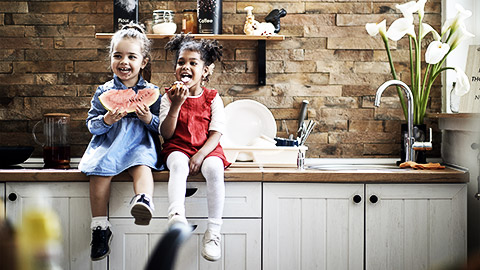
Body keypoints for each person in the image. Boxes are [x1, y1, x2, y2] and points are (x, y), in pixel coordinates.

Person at [78, 23, 162, 261]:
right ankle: (100, 227)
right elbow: (91, 125)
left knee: (142, 165)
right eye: (118, 56)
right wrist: (106, 119)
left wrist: (148, 118)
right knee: (99, 172)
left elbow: (162, 128)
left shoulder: (152, 91)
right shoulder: (103, 92)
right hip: (109, 144)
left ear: (143, 62)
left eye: (131, 57)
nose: (124, 62)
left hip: (139, 144)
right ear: (111, 59)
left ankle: (144, 200)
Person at [159, 34, 230, 262]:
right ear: (175, 69)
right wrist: (176, 105)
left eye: (193, 63)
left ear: (206, 71)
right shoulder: (169, 97)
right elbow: (166, 133)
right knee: (178, 164)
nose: (185, 67)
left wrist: (201, 154)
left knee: (214, 170)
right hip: (177, 147)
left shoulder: (212, 97)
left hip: (206, 149)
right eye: (181, 62)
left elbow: (216, 132)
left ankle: (213, 232)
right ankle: (177, 214)